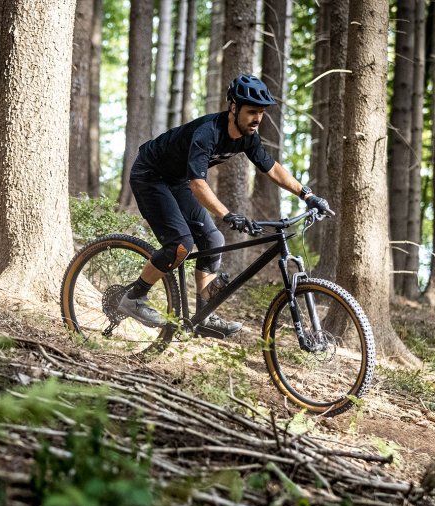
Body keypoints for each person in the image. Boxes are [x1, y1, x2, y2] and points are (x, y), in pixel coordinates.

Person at [118, 74, 330, 337]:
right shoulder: (207, 133)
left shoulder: (248, 136)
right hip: (150, 174)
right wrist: (227, 214)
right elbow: (198, 184)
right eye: (251, 111)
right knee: (181, 244)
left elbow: (271, 168)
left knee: (212, 239)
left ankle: (204, 315)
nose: (257, 119)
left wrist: (307, 195)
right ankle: (133, 297)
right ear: (233, 107)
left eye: (261, 113)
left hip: (176, 179)